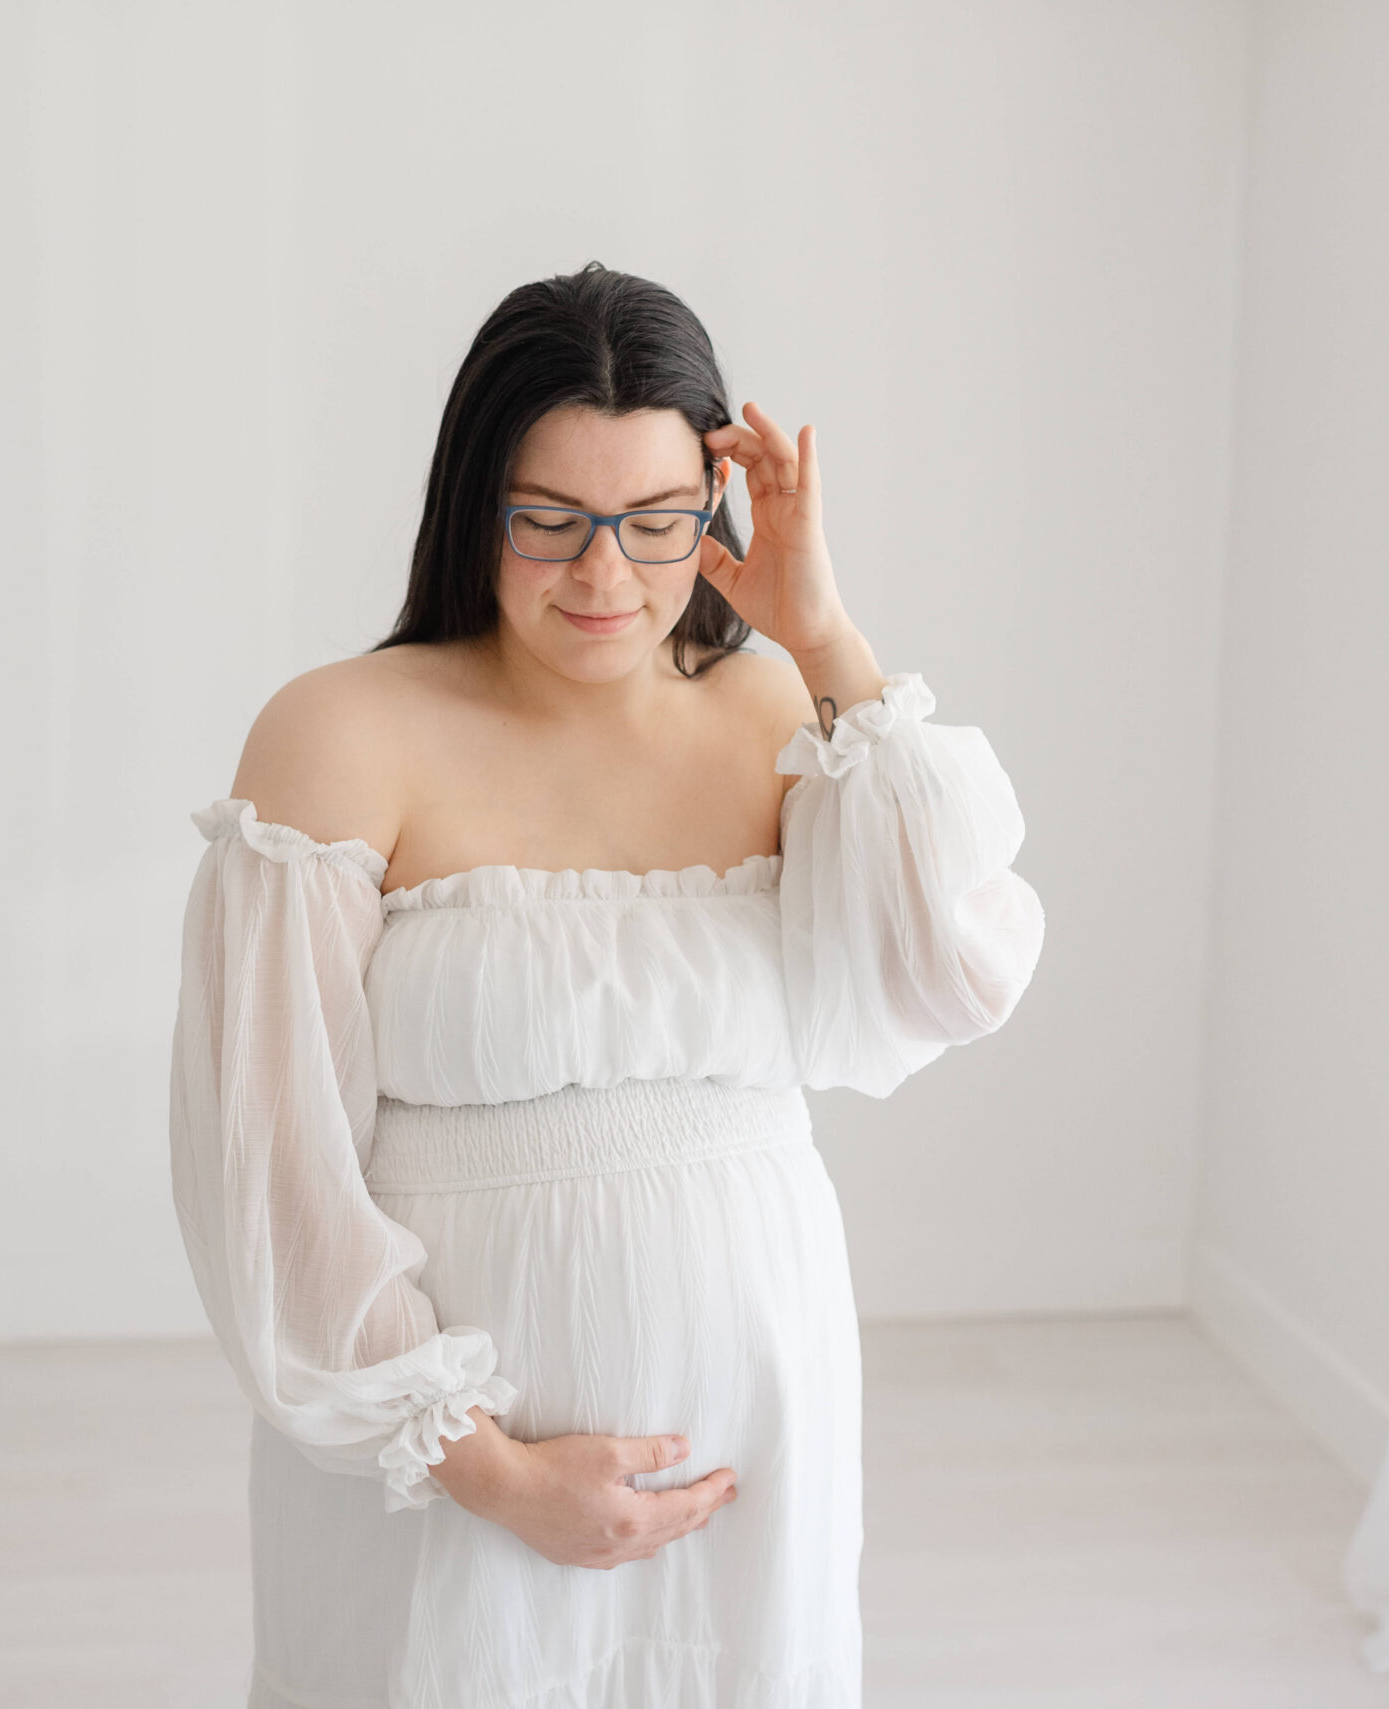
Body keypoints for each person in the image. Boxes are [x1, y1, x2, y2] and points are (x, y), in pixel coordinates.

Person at [169, 261, 1046, 1709]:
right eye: (550, 523)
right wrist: (493, 1471)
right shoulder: (342, 736)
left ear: (717, 513)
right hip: (438, 1464)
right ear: (474, 507)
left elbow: (949, 964)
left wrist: (824, 638)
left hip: (750, 1416)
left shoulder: (777, 711)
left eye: (654, 524)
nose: (603, 578)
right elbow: (271, 1173)